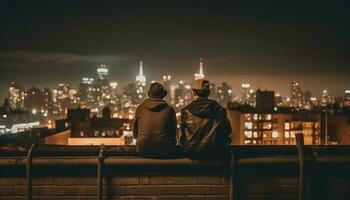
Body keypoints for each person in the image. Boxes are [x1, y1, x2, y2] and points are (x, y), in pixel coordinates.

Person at [179, 79, 232, 159]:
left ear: (194, 92)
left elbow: (182, 135)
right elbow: (228, 131)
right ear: (209, 93)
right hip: (216, 152)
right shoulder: (220, 110)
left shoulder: (186, 111)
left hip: (192, 152)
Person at [133, 82, 179, 158]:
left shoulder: (140, 108)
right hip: (165, 150)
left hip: (143, 149)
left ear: (148, 94)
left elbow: (135, 133)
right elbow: (173, 133)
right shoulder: (170, 110)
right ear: (163, 95)